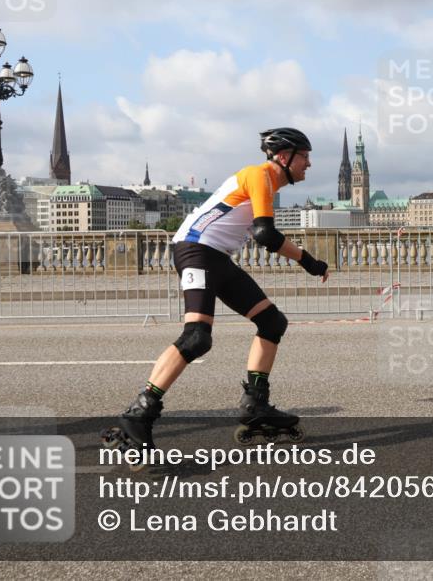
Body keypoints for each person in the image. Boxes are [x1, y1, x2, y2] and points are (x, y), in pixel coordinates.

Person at [110, 127, 329, 449]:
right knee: (197, 337)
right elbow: (265, 234)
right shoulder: (258, 174)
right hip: (196, 250)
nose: (308, 164)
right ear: (284, 157)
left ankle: (256, 403)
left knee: (272, 322)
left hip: (217, 257)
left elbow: (261, 232)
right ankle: (138, 414)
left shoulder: (268, 182)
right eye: (305, 157)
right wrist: (309, 261)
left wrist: (307, 262)